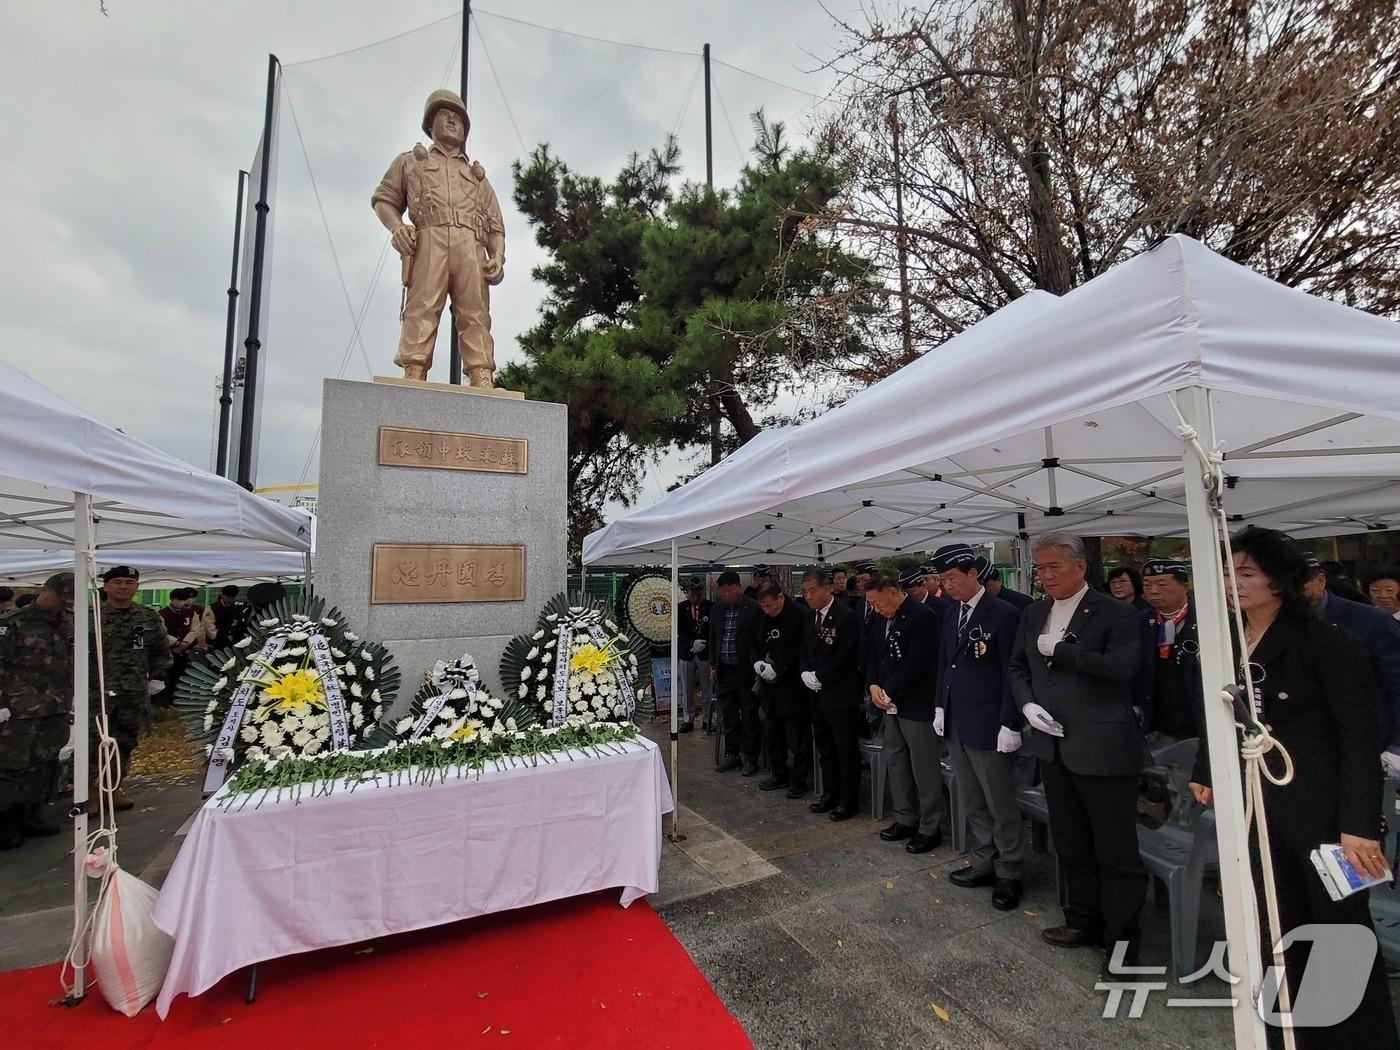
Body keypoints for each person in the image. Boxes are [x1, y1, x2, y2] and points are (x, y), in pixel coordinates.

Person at [1189, 527, 1399, 1050]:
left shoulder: (1329, 644)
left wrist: (1358, 825)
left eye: (1246, 573)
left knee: (1338, 927)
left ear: (1279, 581)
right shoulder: (1231, 639)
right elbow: (1222, 711)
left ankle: (1356, 1038)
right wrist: (1206, 769)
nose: (1232, 583)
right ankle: (1297, 1027)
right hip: (1258, 811)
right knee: (1277, 921)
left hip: (1323, 814)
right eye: (1227, 572)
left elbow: (1359, 738)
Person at [1008, 532, 1148, 976]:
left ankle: (1124, 943)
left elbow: (1123, 671)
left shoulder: (1117, 613)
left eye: (1053, 567)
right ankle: (1082, 919)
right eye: (1040, 568)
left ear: (1080, 567)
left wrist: (1067, 652)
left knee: (1115, 849)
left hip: (1102, 747)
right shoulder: (1033, 613)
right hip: (1052, 744)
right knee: (1070, 842)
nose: (1045, 576)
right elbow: (1017, 666)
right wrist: (1027, 704)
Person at [373, 90, 507, 388]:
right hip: (429, 237)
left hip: (471, 245)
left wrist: (497, 257)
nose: (452, 120)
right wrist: (397, 227)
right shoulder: (410, 162)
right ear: (429, 123)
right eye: (444, 114)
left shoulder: (477, 177)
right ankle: (414, 369)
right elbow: (384, 200)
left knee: (475, 313)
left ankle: (481, 373)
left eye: (458, 117)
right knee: (422, 305)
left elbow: (496, 227)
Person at [931, 545, 1025, 910]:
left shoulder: (1003, 613)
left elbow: (1011, 672)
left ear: (974, 574)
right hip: (957, 720)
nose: (948, 586)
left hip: (989, 723)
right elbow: (945, 664)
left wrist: (1010, 721)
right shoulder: (951, 614)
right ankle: (984, 860)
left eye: (953, 578)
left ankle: (1010, 870)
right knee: (972, 798)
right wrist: (940, 705)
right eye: (943, 580)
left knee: (999, 800)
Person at [866, 573, 945, 853]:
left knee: (923, 766)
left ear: (891, 591)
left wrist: (890, 691)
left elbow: (918, 662)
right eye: (871, 605)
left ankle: (930, 825)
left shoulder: (921, 616)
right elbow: (873, 654)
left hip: (915, 702)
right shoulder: (878, 618)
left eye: (878, 602)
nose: (876, 609)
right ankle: (905, 817)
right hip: (887, 701)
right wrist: (874, 684)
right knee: (896, 760)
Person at [1302, 555, 1400, 766]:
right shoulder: (1283, 621)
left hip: (1370, 741)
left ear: (1321, 580)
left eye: (1303, 581)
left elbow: (1397, 684)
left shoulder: (1370, 620)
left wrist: (1396, 745)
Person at [0, 573, 74, 849]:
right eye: (61, 598)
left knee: (46, 764)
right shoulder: (12, 623)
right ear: (45, 590)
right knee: (11, 767)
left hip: (55, 706)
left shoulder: (69, 622)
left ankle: (33, 814)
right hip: (17, 710)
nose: (63, 605)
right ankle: (6, 822)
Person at [94, 566, 172, 811]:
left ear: (137, 587)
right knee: (93, 742)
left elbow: (161, 650)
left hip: (132, 690)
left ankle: (113, 788)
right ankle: (89, 792)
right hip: (96, 692)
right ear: (106, 586)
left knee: (125, 740)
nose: (123, 587)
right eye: (117, 582)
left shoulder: (147, 617)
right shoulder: (91, 616)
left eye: (129, 582)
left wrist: (157, 678)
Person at [801, 568, 863, 821]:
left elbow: (846, 656)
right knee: (825, 747)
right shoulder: (809, 617)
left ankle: (849, 800)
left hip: (840, 694)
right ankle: (830, 793)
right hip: (816, 695)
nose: (808, 596)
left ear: (828, 588)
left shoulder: (846, 616)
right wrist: (805, 672)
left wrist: (821, 676)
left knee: (845, 749)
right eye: (804, 591)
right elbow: (804, 649)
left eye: (812, 590)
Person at [753, 582, 812, 798]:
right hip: (769, 687)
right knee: (772, 732)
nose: (768, 611)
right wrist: (757, 663)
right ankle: (779, 773)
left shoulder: (799, 614)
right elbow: (753, 642)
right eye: (764, 607)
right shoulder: (762, 616)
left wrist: (778, 668)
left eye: (771, 606)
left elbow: (800, 649)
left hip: (792, 685)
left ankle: (799, 780)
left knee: (797, 736)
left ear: (781, 597)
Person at [1136, 558, 1201, 743]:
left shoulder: (1208, 617)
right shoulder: (1139, 622)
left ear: (1185, 586)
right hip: (1158, 719)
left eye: (1162, 584)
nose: (1153, 591)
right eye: (1147, 585)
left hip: (1197, 716)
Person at [708, 570, 763, 774]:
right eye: (722, 591)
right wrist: (713, 665)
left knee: (749, 716)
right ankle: (732, 754)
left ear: (738, 587)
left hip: (745, 672)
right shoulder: (717, 610)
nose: (725, 595)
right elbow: (714, 638)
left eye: (729, 591)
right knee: (729, 716)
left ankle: (750, 757)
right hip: (725, 671)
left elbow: (758, 641)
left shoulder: (753, 608)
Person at [676, 577, 712, 733]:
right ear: (688, 592)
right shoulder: (681, 608)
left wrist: (704, 643)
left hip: (704, 652)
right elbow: (679, 631)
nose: (695, 595)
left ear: (702, 591)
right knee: (687, 689)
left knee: (707, 689)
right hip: (687, 653)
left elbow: (713, 630)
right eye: (692, 592)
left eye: (698, 591)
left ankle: (707, 720)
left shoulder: (710, 607)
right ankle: (688, 719)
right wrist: (692, 643)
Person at [210, 584, 252, 649]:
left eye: (234, 597)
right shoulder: (214, 607)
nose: (233, 599)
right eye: (230, 597)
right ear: (224, 596)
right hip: (218, 636)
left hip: (232, 635)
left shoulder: (236, 606)